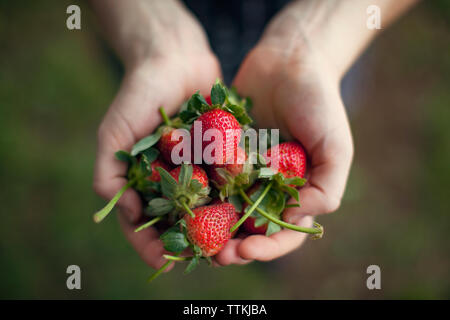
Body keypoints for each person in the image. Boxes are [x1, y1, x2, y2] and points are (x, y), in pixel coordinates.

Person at [90, 0, 418, 270]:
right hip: (163, 29)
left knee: (273, 229)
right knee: (262, 225)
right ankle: (265, 236)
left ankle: (272, 249)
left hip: (327, 38)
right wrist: (152, 35)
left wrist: (314, 45)